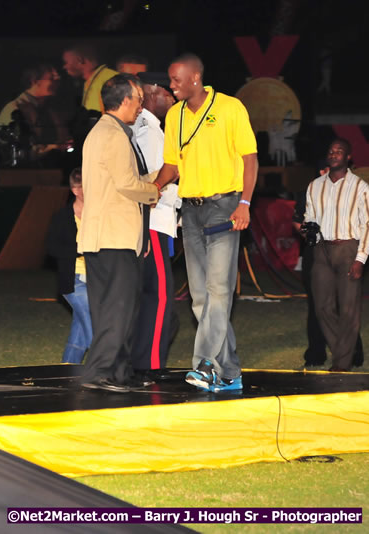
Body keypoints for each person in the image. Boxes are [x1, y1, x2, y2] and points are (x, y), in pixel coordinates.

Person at [153, 53, 258, 392]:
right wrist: (151, 188)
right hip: (192, 210)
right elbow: (172, 165)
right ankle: (230, 372)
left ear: (195, 77)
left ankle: (204, 366)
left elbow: (250, 159)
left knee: (219, 290)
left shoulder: (230, 108)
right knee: (200, 297)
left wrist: (244, 203)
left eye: (176, 80)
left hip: (224, 206)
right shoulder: (173, 115)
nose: (171, 86)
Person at [78, 74, 160, 392]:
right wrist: (156, 187)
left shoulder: (109, 132)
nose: (142, 106)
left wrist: (163, 175)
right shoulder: (112, 134)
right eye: (139, 99)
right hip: (113, 238)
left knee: (121, 309)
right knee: (117, 309)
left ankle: (118, 373)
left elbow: (125, 179)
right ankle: (98, 372)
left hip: (111, 237)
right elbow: (128, 185)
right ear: (125, 100)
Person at [302, 139, 369, 372]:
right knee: (322, 307)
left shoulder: (360, 187)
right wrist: (308, 227)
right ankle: (345, 349)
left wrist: (360, 258)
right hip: (322, 249)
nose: (334, 154)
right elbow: (310, 216)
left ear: (348, 157)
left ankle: (342, 363)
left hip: (348, 248)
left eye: (339, 151)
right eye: (331, 151)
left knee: (348, 308)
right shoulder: (314, 186)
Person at [293, 163, 366, 370]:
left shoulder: (353, 191)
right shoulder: (311, 190)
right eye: (326, 170)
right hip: (317, 253)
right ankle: (317, 352)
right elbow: (297, 219)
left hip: (345, 251)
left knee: (347, 304)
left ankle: (352, 353)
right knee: (319, 304)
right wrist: (309, 233)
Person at [130, 72, 180, 374]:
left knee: (151, 296)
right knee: (159, 297)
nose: (173, 99)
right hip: (154, 221)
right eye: (167, 93)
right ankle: (150, 366)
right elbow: (148, 182)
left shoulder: (150, 128)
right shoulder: (148, 130)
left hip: (156, 221)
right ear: (151, 92)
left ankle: (141, 362)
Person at [45, 168, 91, 364]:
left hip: (97, 279)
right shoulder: (62, 217)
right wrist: (79, 250)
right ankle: (109, 370)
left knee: (80, 329)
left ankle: (68, 369)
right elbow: (51, 247)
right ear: (76, 190)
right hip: (74, 280)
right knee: (95, 329)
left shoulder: (97, 215)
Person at [62, 44, 119, 113]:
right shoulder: (90, 81)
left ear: (80, 60)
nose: (64, 67)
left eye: (66, 62)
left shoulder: (110, 78)